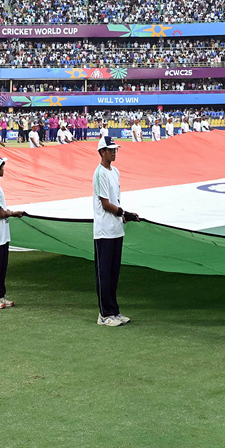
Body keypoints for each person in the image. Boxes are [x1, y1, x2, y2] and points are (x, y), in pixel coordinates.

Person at [93, 138, 141, 326]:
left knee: (114, 273)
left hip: (116, 230)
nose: (114, 152)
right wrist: (124, 212)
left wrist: (124, 215)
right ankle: (104, 314)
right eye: (111, 149)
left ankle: (114, 310)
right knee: (104, 274)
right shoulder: (100, 174)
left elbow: (116, 200)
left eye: (115, 149)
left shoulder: (115, 172)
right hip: (104, 231)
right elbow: (105, 204)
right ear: (102, 152)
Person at [0, 154, 25, 308]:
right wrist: (14, 213)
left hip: (1, 235)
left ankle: (0, 295)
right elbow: (1, 213)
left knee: (1, 268)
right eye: (2, 166)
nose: (4, 169)